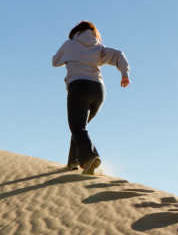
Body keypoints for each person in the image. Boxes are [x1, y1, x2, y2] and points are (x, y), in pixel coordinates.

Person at [52, 21, 131, 174]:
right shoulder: (98, 47)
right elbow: (119, 55)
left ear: (75, 32)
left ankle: (90, 157)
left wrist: (69, 58)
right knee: (79, 128)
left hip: (79, 87)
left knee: (77, 127)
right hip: (98, 90)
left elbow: (55, 62)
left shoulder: (69, 44)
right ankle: (73, 163)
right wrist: (124, 74)